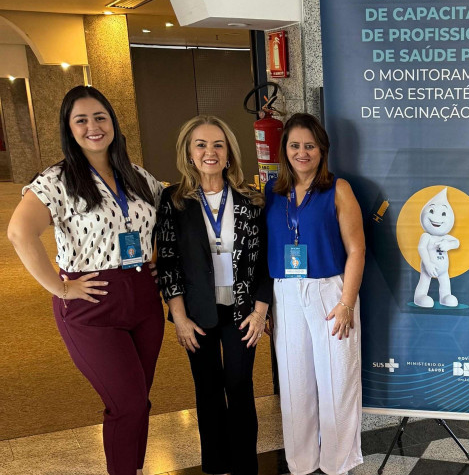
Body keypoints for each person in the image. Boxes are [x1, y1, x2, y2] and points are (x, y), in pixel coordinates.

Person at [7, 85, 165, 475]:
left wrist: (159, 260)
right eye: (81, 120)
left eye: (100, 117)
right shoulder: (57, 180)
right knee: (126, 403)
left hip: (144, 299)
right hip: (91, 304)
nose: (93, 127)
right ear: (69, 128)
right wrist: (60, 287)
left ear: (113, 123)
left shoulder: (137, 176)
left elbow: (167, 218)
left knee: (139, 402)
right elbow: (19, 233)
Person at [155, 116, 271, 474]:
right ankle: (216, 465)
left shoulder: (251, 199)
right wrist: (179, 318)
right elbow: (169, 261)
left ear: (229, 152)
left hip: (242, 311)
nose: (210, 152)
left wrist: (260, 312)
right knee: (207, 388)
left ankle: (244, 465)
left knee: (239, 385)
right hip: (196, 312)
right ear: (189, 153)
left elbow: (264, 260)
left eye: (218, 144)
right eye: (201, 144)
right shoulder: (174, 200)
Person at [264, 113, 366, 475]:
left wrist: (346, 303)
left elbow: (356, 249)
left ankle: (338, 464)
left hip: (330, 292)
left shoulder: (338, 189)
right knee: (295, 384)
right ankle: (301, 464)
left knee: (337, 382)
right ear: (284, 149)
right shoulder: (272, 191)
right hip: (286, 292)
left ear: (322, 150)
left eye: (310, 145)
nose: (302, 152)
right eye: (295, 145)